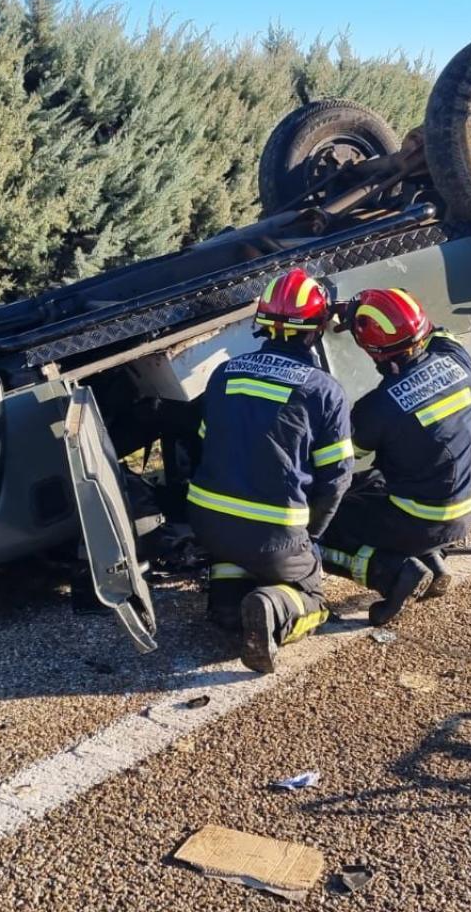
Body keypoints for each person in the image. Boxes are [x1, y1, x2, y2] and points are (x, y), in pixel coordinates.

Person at [187, 267, 354, 673]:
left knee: (237, 558)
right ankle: (276, 606)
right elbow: (337, 478)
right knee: (313, 598)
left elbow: (207, 442)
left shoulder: (224, 373)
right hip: (276, 538)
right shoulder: (323, 389)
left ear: (262, 324)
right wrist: (310, 536)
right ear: (315, 330)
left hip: (209, 526)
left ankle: (227, 604)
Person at [319, 287, 471, 626]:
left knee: (322, 525)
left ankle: (393, 575)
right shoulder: (454, 356)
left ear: (373, 350)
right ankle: (433, 563)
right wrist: (366, 310)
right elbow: (437, 331)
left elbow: (333, 460)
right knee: (371, 485)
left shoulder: (379, 407)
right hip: (465, 507)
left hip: (419, 517)